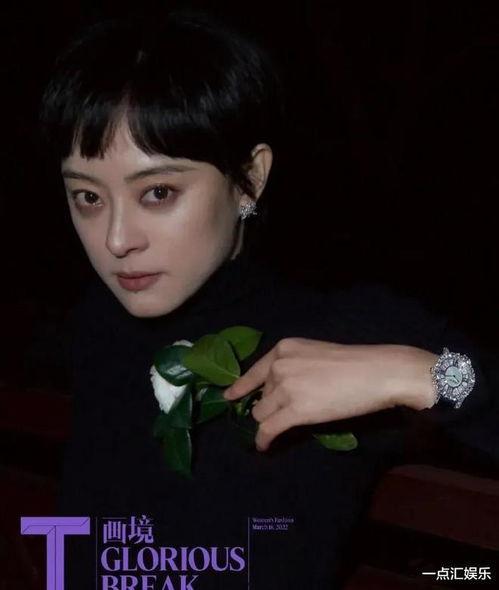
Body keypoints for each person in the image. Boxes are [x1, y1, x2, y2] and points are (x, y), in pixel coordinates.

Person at [39, 9, 497, 589]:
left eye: (157, 192)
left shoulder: (338, 321)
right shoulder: (95, 324)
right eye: (87, 197)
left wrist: (421, 374)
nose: (116, 239)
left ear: (250, 179)